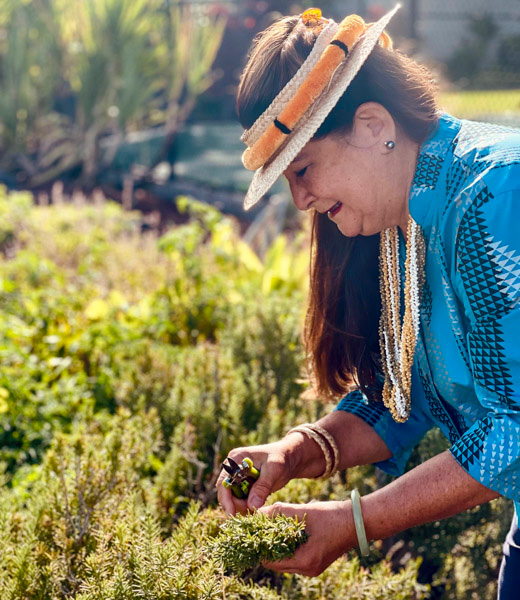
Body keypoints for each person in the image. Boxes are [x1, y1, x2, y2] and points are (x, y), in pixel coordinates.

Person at [216, 5, 520, 596]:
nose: (300, 200)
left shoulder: (497, 194)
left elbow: (515, 428)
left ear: (374, 124)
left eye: (303, 169)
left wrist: (354, 523)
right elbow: (406, 394)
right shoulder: (403, 221)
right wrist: (298, 451)